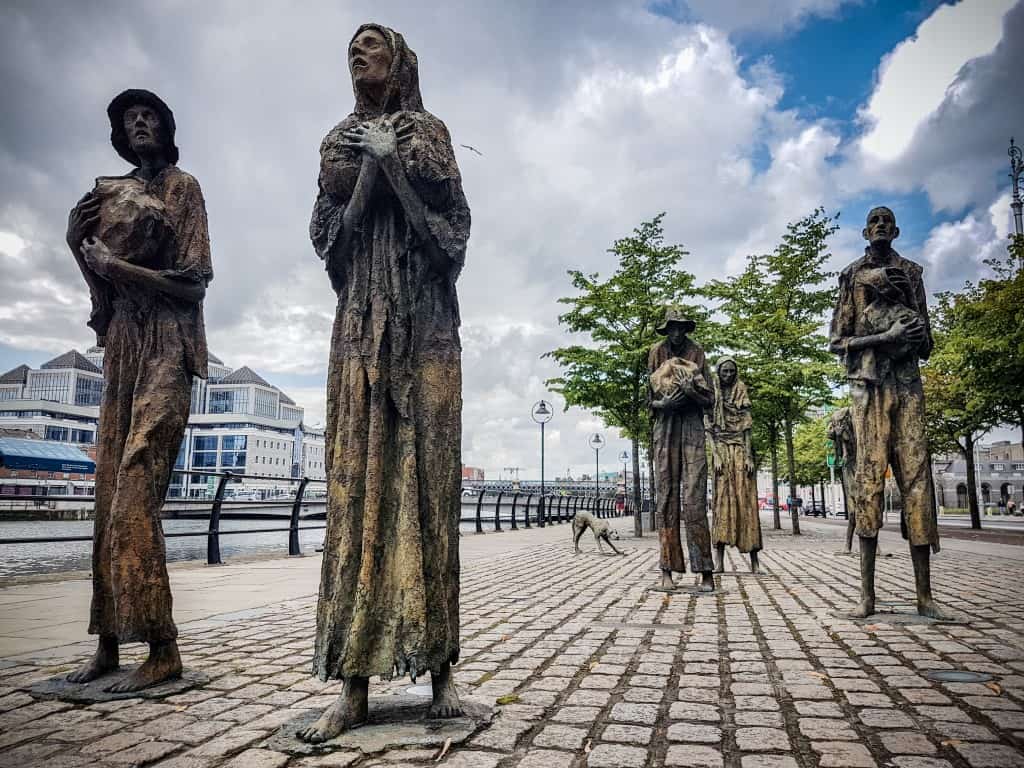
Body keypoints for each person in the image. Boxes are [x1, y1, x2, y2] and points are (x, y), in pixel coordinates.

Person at [299, 23, 470, 742]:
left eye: (372, 46)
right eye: (352, 48)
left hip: (427, 331)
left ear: (399, 61)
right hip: (361, 332)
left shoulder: (430, 132)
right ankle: (354, 686)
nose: (357, 55)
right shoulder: (338, 141)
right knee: (357, 489)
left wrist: (395, 167)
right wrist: (371, 167)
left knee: (432, 489)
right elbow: (330, 245)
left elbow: (451, 242)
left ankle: (441, 673)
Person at [64, 89, 212, 691]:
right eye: (130, 120)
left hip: (169, 346)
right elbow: (100, 294)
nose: (140, 124)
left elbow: (195, 284)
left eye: (149, 115)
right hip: (123, 344)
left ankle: (163, 647)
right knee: (107, 494)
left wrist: (117, 267)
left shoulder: (185, 189)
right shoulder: (111, 192)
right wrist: (73, 245)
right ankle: (107, 643)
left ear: (166, 126)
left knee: (136, 486)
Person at [829, 206, 947, 619]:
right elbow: (837, 341)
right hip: (869, 387)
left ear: (895, 230)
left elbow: (928, 344)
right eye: (873, 221)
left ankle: (925, 597)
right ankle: (867, 596)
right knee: (868, 477)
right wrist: (884, 336)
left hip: (908, 384)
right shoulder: (852, 275)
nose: (880, 226)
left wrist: (911, 326)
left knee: (918, 480)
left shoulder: (912, 273)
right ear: (865, 230)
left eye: (887, 221)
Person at [648, 308, 716, 592]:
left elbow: (710, 399)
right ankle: (667, 568)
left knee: (694, 497)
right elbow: (648, 396)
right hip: (665, 427)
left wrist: (690, 392)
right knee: (666, 496)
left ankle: (705, 571)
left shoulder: (697, 352)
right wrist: (662, 405)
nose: (676, 333)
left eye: (680, 328)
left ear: (686, 330)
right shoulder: (655, 352)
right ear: (667, 330)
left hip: (691, 427)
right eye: (671, 328)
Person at [706, 357, 762, 573]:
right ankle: (718, 559)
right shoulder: (713, 393)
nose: (728, 375)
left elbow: (747, 426)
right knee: (722, 502)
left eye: (731, 371)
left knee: (746, 501)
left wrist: (749, 456)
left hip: (740, 448)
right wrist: (716, 455)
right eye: (724, 371)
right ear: (719, 372)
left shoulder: (741, 390)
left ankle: (755, 559)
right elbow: (708, 428)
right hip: (721, 449)